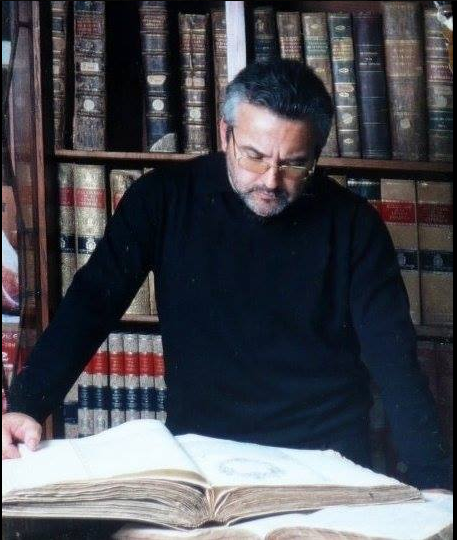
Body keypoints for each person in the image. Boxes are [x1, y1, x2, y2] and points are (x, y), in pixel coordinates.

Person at [2, 60, 452, 491]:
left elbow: (394, 360)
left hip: (327, 459)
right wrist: (26, 406)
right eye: (254, 156)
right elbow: (90, 305)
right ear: (225, 133)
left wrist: (433, 477)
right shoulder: (162, 198)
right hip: (203, 457)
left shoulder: (355, 225)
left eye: (294, 163)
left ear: (316, 153)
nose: (271, 180)